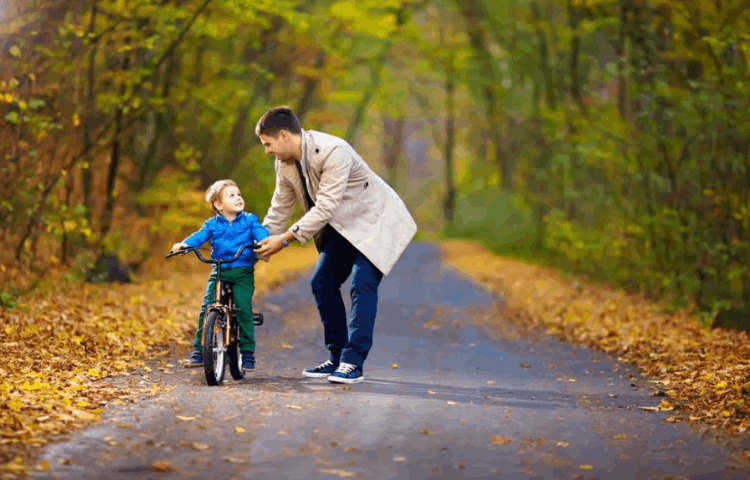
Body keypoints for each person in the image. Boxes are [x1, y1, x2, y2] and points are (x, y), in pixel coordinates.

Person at [254, 106, 417, 384]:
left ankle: (353, 362)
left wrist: (284, 240)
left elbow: (326, 207)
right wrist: (256, 249)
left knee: (361, 284)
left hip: (375, 222)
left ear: (283, 135)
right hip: (342, 227)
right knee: (322, 283)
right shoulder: (283, 164)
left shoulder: (333, 151)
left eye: (268, 144)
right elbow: (280, 207)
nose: (267, 151)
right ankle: (337, 356)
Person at [170, 179, 269, 370]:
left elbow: (261, 232)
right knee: (206, 307)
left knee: (242, 308)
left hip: (242, 272)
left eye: (239, 194)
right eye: (231, 195)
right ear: (218, 205)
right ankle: (199, 350)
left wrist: (263, 241)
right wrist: (184, 245)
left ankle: (247, 352)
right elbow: (198, 237)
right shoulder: (212, 224)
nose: (238, 198)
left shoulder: (249, 220)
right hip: (219, 271)